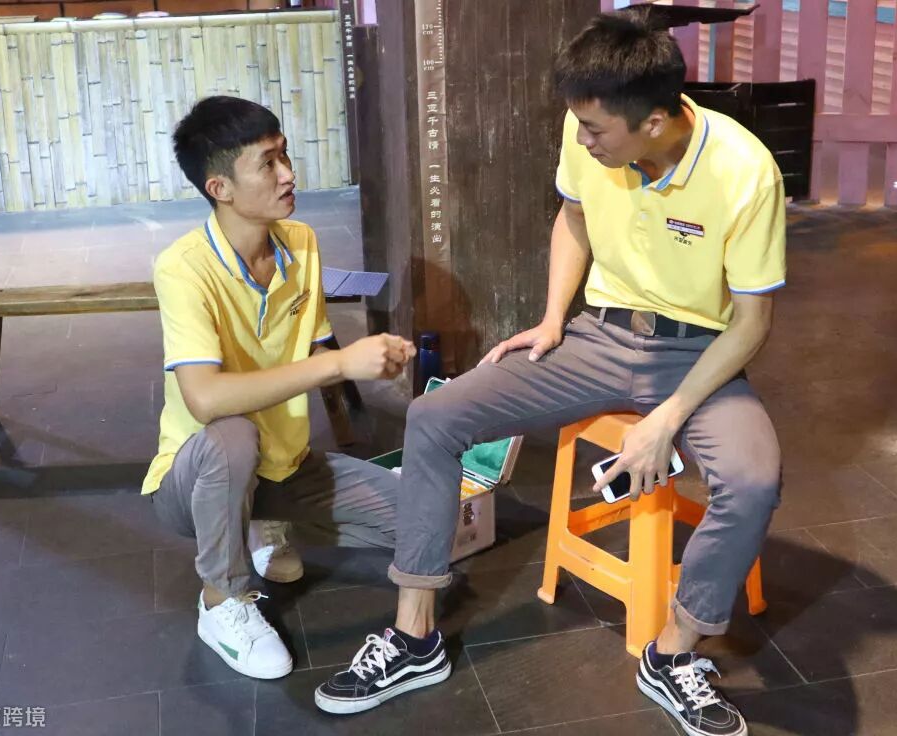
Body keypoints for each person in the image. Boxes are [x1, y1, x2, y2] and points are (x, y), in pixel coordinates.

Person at [316, 9, 784, 735]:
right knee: (434, 418)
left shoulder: (745, 172)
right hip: (600, 335)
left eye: (597, 130)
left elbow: (752, 323)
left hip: (700, 354)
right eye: (580, 124)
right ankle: (414, 638)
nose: (582, 138)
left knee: (753, 480)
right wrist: (553, 315)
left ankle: (672, 654)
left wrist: (666, 420)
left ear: (654, 121)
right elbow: (572, 217)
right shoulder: (587, 127)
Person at [144, 95, 415, 682]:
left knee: (425, 520)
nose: (288, 174)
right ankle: (221, 599)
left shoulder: (301, 242)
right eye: (267, 163)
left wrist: (371, 363)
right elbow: (205, 400)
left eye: (285, 155)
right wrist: (339, 365)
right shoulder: (182, 267)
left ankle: (262, 521)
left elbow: (316, 353)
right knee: (232, 436)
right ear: (220, 187)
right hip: (195, 478)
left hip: (285, 467)